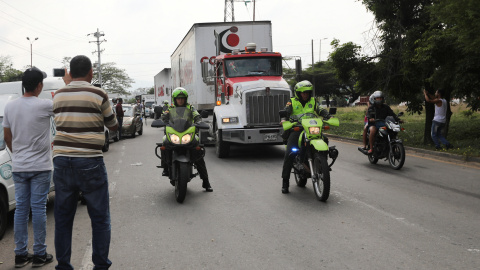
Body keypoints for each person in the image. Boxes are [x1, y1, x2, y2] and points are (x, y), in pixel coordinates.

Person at [52, 55, 118, 270]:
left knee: (63, 218)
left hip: (61, 161)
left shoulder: (58, 95)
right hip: (90, 161)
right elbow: (113, 124)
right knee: (99, 218)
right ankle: (100, 265)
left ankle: (63, 265)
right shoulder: (98, 93)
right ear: (90, 72)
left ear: (70, 72)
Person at [2, 67, 54, 268]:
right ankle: (40, 254)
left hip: (19, 166)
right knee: (38, 209)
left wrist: (19, 154)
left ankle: (20, 255)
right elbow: (63, 107)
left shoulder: (10, 107)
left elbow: (7, 136)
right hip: (41, 167)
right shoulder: (45, 105)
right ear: (39, 85)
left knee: (21, 210)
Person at [280, 80, 330, 194]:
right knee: (289, 153)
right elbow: (286, 112)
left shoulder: (313, 101)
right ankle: (285, 181)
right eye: (302, 92)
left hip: (312, 128)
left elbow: (320, 110)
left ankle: (322, 164)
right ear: (298, 93)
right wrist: (283, 120)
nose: (305, 94)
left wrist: (328, 116)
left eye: (307, 92)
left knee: (325, 139)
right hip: (297, 129)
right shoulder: (292, 102)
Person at [161, 87, 213, 192]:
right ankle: (166, 167)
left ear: (186, 99)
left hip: (188, 133)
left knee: (198, 153)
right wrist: (163, 120)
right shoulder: (170, 109)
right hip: (174, 133)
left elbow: (197, 116)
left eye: (182, 98)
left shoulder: (190, 108)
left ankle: (206, 181)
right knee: (164, 142)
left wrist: (198, 121)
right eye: (178, 98)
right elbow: (163, 117)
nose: (180, 100)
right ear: (174, 99)